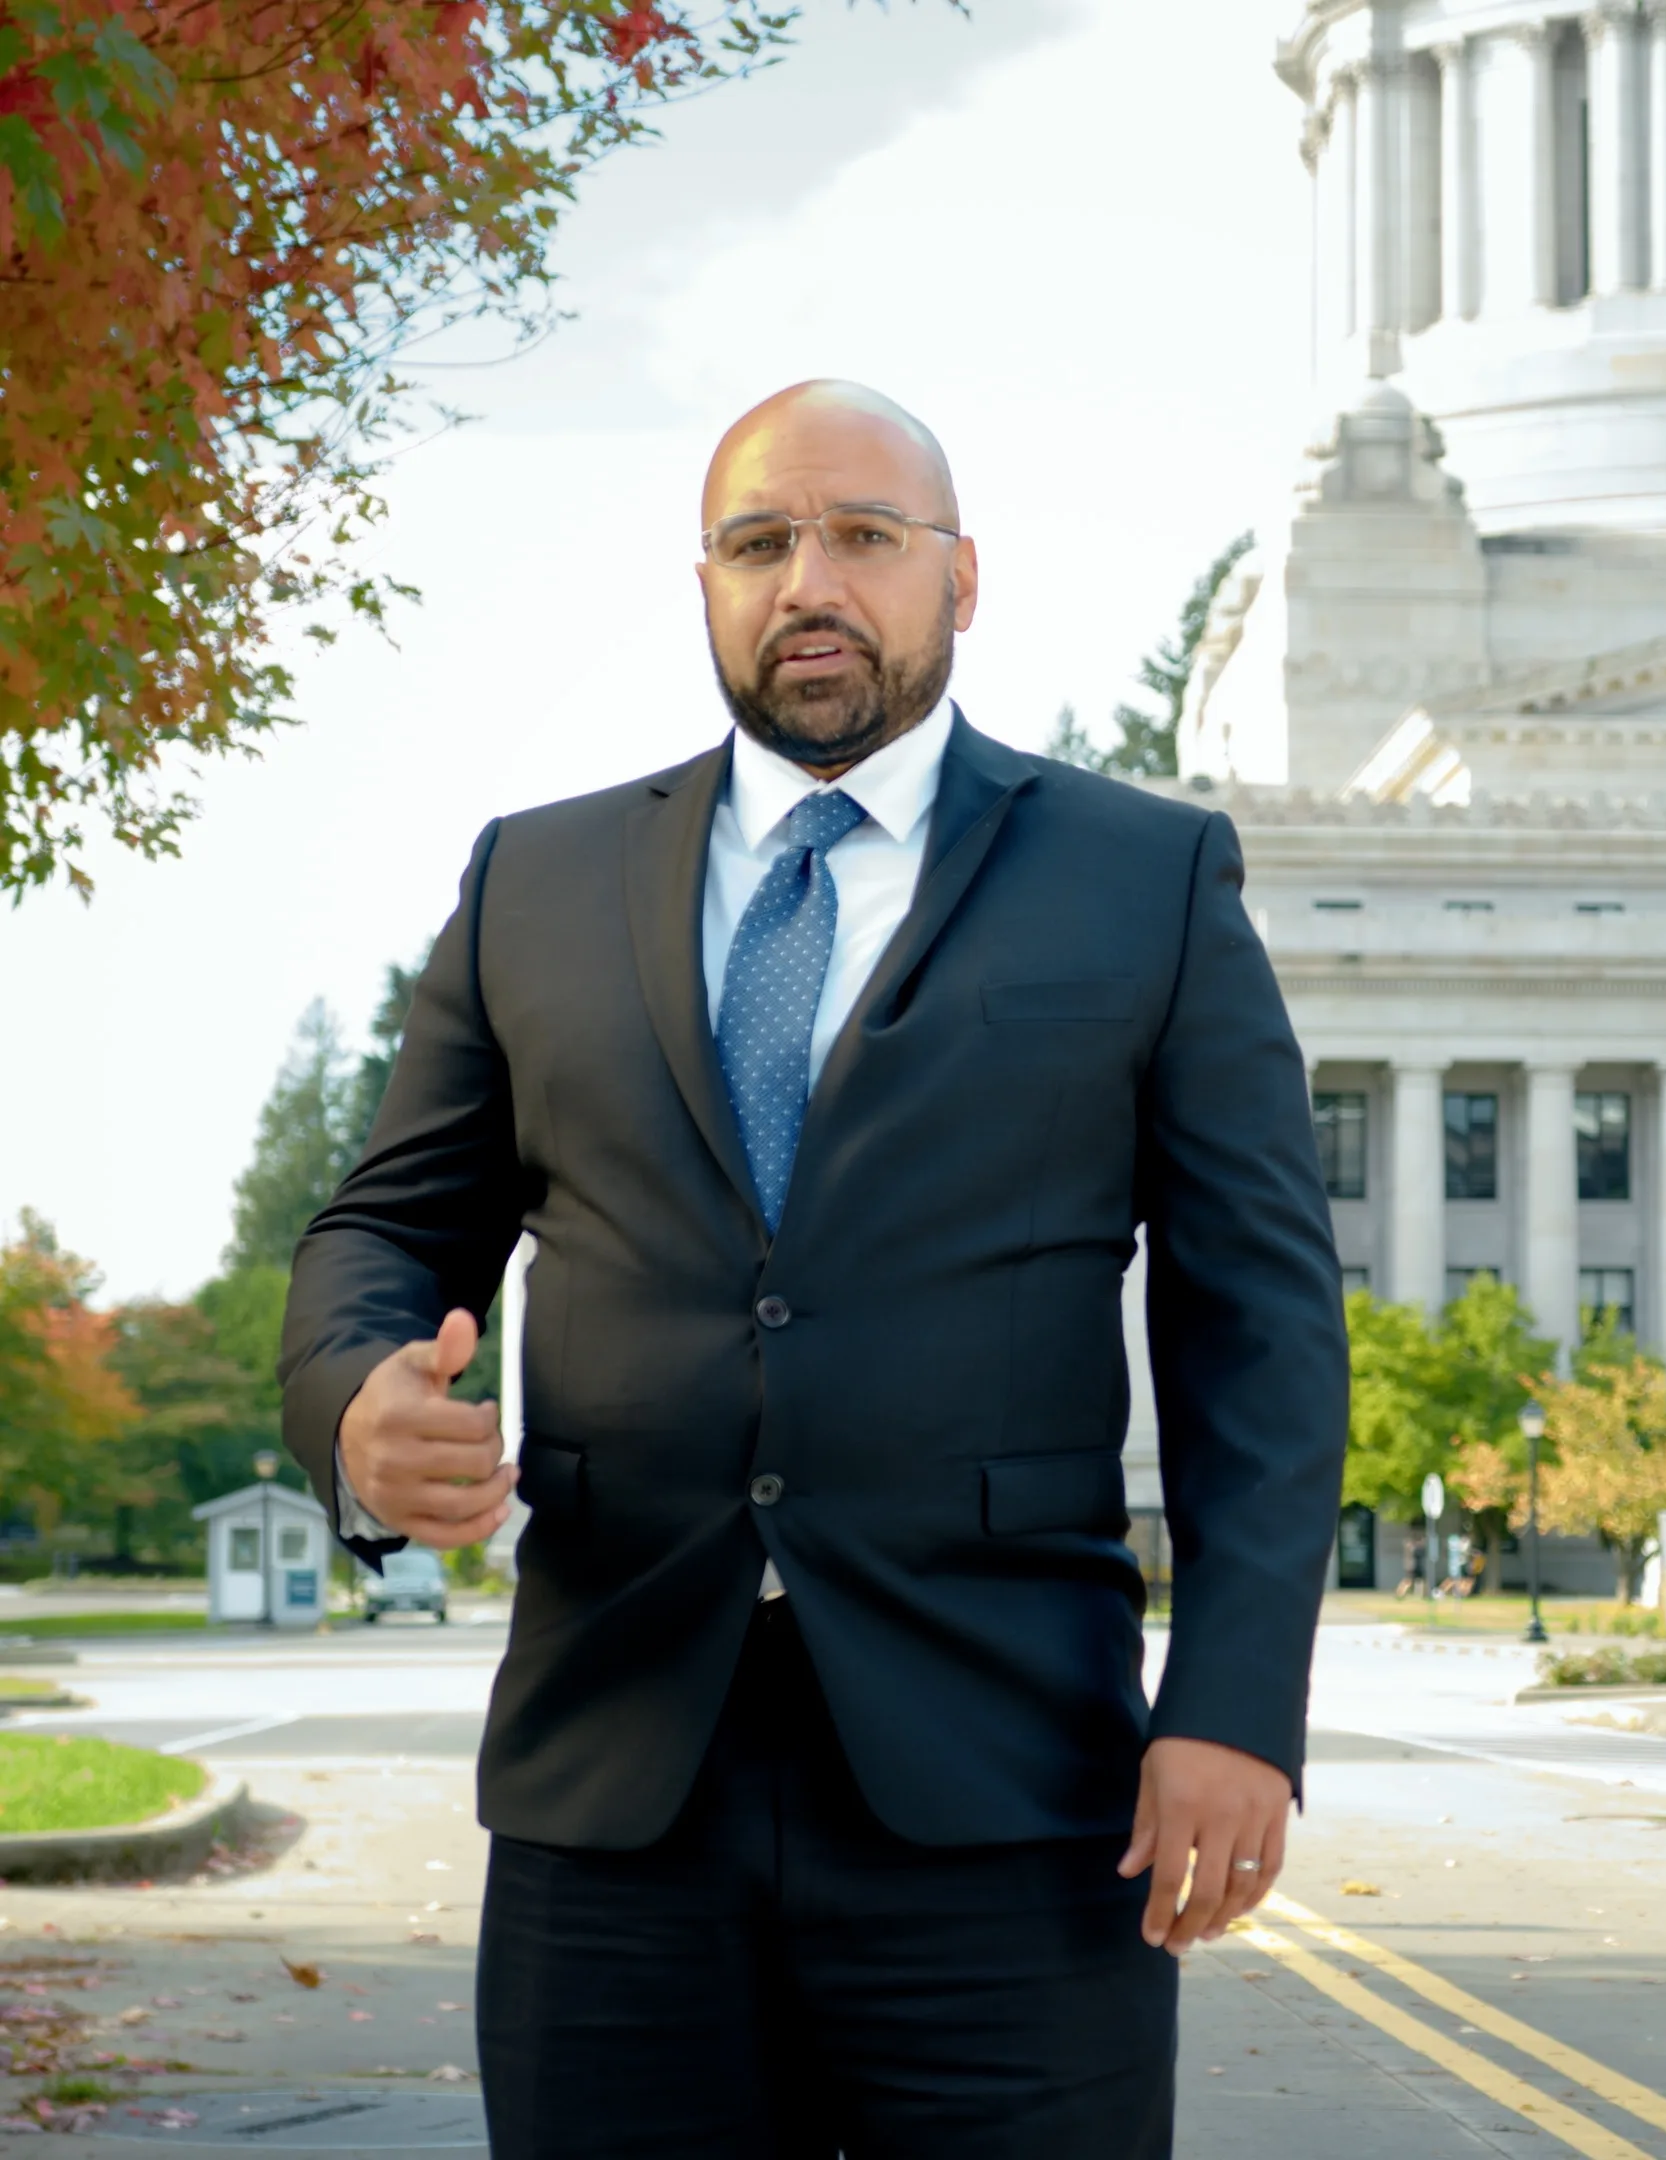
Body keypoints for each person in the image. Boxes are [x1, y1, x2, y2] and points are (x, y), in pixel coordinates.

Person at [279, 380, 1350, 2159]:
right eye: (760, 543)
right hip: (616, 1795)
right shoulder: (531, 881)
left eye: (865, 535)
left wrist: (1236, 1709)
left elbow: (1263, 1321)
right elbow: (385, 1227)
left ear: (964, 579)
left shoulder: (1145, 880)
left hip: (1017, 1800)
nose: (810, 582)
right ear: (706, 584)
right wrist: (355, 1415)